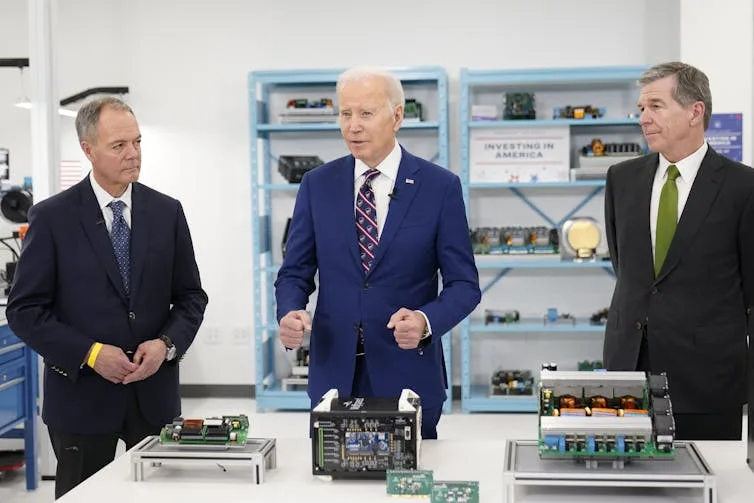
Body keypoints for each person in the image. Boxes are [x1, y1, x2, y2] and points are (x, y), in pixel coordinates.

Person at [6, 96, 208, 498]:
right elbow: (25, 310)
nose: (133, 154)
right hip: (81, 400)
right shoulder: (52, 218)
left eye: (137, 142)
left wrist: (166, 345)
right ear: (88, 149)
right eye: (119, 146)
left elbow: (190, 297)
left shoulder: (167, 212)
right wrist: (92, 353)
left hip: (154, 399)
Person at [274, 66, 481, 439]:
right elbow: (294, 272)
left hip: (409, 374)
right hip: (333, 377)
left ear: (397, 115)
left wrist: (425, 321)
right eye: (345, 113)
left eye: (366, 114)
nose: (353, 126)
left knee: (408, 491)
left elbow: (464, 285)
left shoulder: (439, 187)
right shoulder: (316, 185)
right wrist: (289, 310)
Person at [603, 61, 754, 441]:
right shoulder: (621, 179)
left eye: (655, 106)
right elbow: (628, 270)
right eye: (641, 109)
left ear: (694, 111)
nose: (644, 118)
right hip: (628, 370)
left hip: (707, 380)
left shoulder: (742, 187)